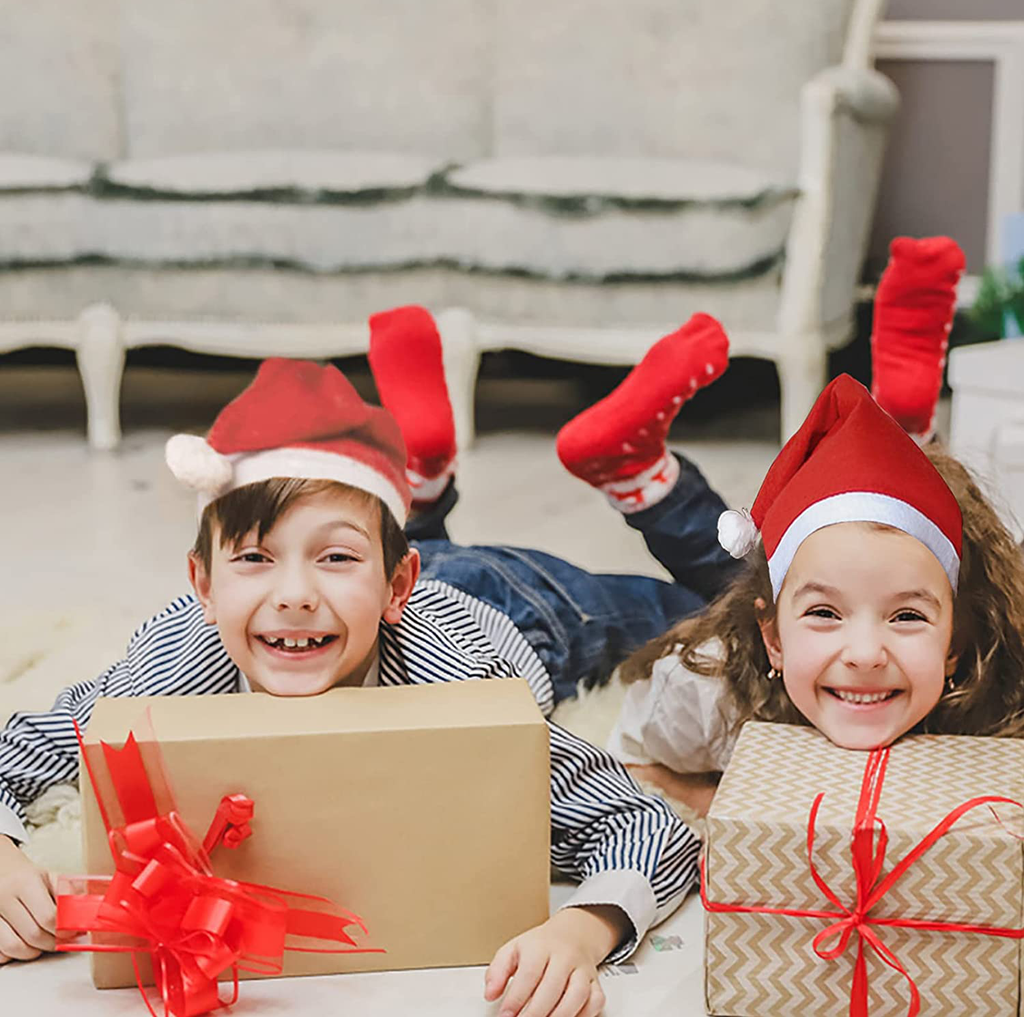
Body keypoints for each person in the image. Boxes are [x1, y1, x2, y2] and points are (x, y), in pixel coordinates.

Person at [0, 305, 742, 1017]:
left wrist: (581, 930)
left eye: (330, 558)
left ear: (397, 590)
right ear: (201, 584)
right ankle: (414, 482)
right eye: (254, 558)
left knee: (729, 608)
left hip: (516, 601)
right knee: (354, 541)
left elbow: (642, 824)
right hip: (387, 579)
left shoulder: (459, 683)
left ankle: (637, 472)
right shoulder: (173, 665)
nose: (293, 596)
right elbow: (22, 747)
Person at [606, 237, 1024, 818]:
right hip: (756, 613)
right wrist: (719, 806)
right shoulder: (707, 692)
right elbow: (627, 761)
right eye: (826, 615)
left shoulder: (992, 698)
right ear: (772, 638)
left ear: (955, 643)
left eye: (907, 617)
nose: (864, 654)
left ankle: (906, 423)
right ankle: (905, 422)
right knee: (712, 578)